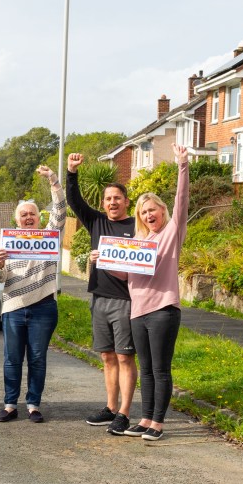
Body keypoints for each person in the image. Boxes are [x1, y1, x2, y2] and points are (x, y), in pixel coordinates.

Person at [104, 144, 189, 441]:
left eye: (152, 209)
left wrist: (182, 165)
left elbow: (182, 201)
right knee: (147, 370)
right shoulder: (141, 242)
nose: (148, 214)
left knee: (161, 369)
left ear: (162, 210)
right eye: (143, 211)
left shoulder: (171, 233)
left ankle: (158, 424)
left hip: (163, 309)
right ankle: (144, 419)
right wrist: (103, 263)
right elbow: (127, 275)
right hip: (138, 312)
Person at [66, 151, 138, 435]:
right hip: (99, 299)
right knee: (107, 357)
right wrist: (72, 173)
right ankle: (110, 407)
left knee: (124, 357)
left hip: (126, 301)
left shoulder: (137, 226)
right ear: (103, 203)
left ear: (126, 202)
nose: (112, 202)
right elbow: (74, 201)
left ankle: (125, 412)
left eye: (117, 198)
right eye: (108, 199)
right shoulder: (97, 222)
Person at [0, 165, 67, 423]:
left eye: (32, 214)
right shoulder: (8, 243)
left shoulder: (49, 237)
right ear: (17, 220)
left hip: (44, 307)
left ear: (39, 217)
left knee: (37, 359)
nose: (28, 218)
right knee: (12, 360)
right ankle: (10, 404)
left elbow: (60, 210)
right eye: (23, 215)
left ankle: (33, 404)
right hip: (13, 307)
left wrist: (53, 180)